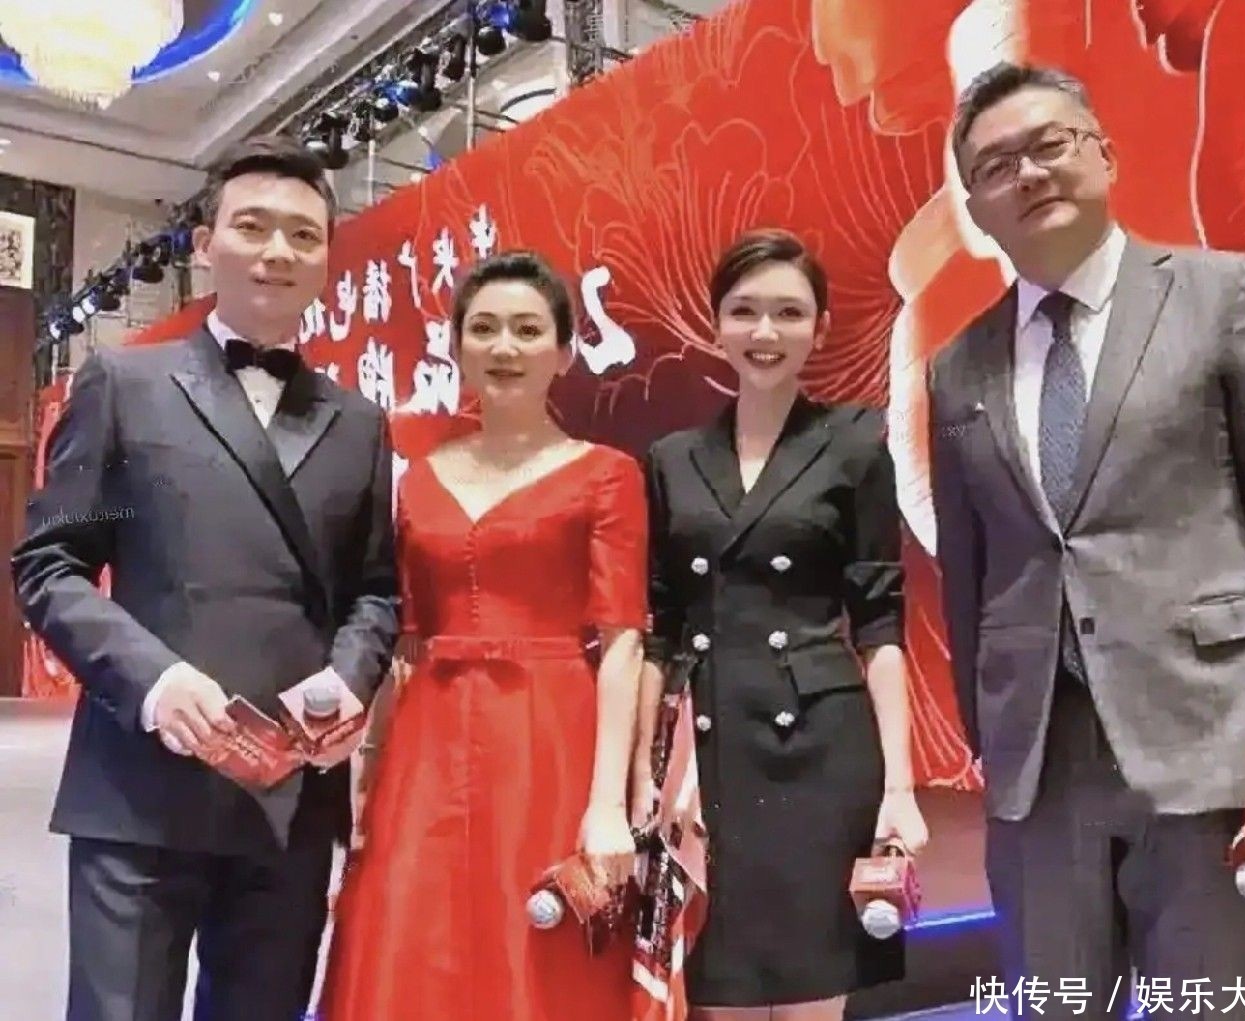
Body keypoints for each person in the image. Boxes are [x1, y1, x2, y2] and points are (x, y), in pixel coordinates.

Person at [928, 63, 1245, 1015]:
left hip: (1208, 742)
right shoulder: (958, 367)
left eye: (1050, 145)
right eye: (997, 166)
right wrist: (988, 733)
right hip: (1040, 768)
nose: (1029, 174)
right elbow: (969, 568)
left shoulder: (1224, 294)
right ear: (976, 207)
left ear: (1106, 156)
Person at [10, 135, 399, 1021]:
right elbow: (52, 563)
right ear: (204, 245)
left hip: (289, 796)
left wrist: (349, 678)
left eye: (303, 234)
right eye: (252, 226)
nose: (277, 251)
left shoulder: (358, 424)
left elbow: (374, 589)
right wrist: (153, 681)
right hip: (140, 787)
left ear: (326, 260)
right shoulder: (125, 384)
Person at [320, 250, 647, 1020]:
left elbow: (623, 643)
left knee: (535, 936)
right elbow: (404, 641)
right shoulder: (420, 477)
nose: (505, 347)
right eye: (485, 328)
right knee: (413, 933)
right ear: (457, 346)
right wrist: (368, 770)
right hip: (426, 742)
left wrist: (608, 802)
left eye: (528, 330)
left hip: (549, 734)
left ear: (563, 352)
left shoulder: (606, 473)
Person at [637, 228, 929, 1020]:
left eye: (789, 313)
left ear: (821, 328)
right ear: (715, 323)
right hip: (707, 751)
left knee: (812, 994)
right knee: (719, 989)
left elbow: (879, 623)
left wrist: (899, 788)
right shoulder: (671, 458)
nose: (765, 332)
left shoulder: (856, 441)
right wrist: (640, 773)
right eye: (744, 311)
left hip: (821, 751)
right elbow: (660, 627)